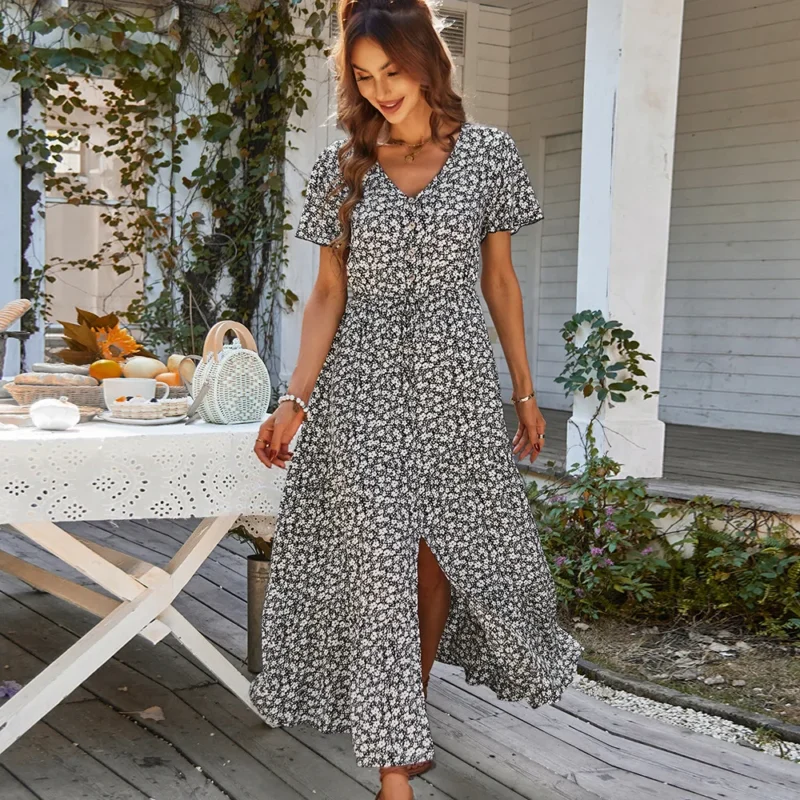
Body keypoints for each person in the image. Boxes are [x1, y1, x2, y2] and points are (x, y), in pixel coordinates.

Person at [249, 1, 583, 797]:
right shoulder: (343, 165)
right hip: (361, 384)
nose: (380, 91)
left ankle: (408, 716)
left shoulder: (490, 156)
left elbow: (499, 282)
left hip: (458, 384)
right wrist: (294, 399)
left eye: (391, 72)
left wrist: (526, 392)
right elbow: (328, 292)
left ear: (428, 58)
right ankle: (395, 767)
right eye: (364, 78)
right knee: (378, 559)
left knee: (440, 557)